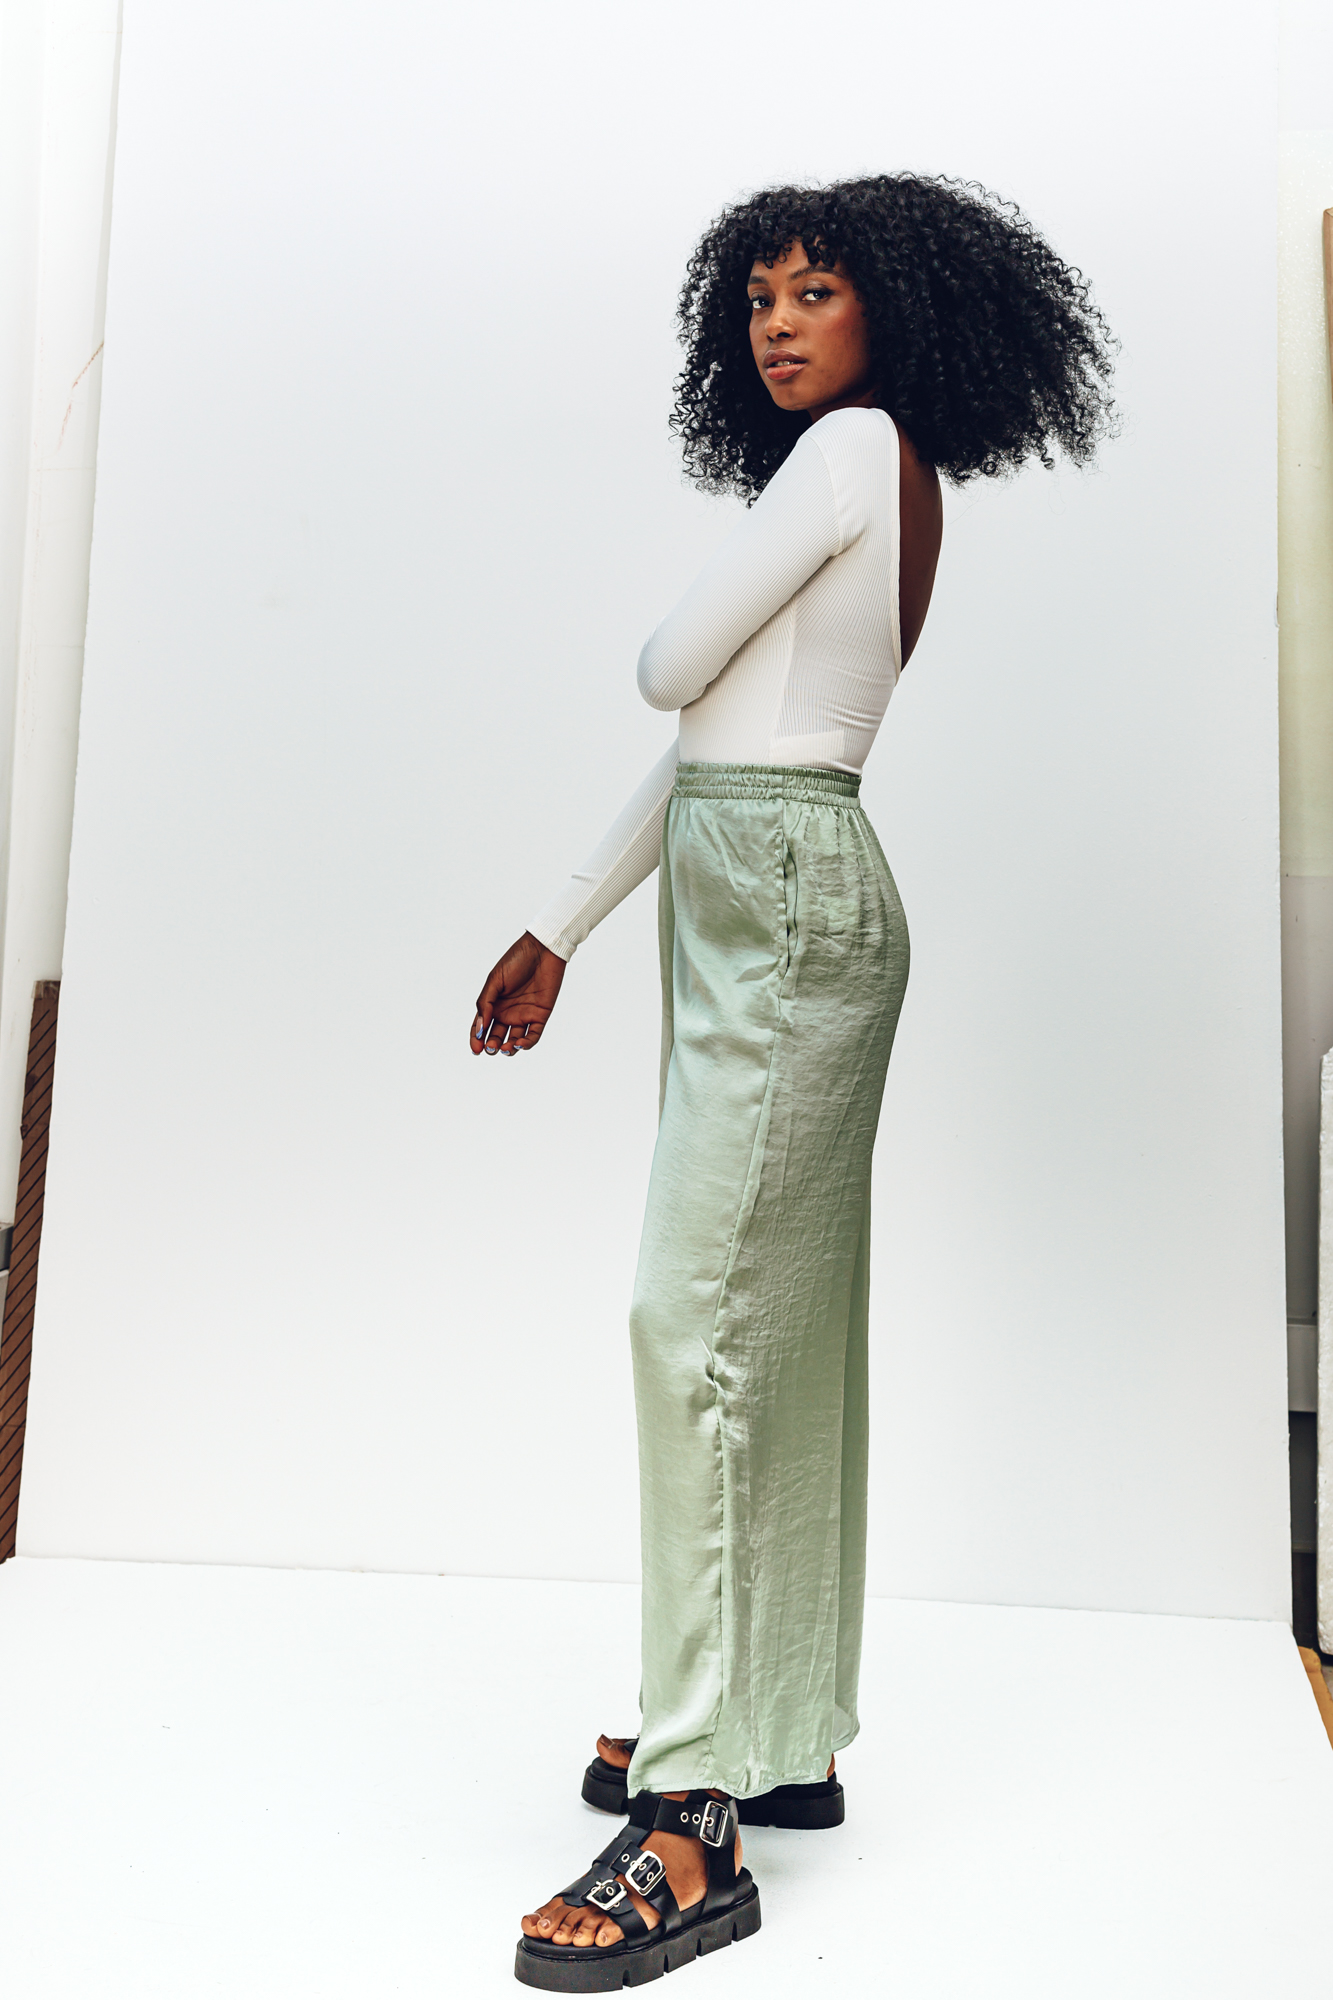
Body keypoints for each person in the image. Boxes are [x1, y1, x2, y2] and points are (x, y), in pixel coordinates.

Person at [472, 174, 1116, 1992]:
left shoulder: (847, 454)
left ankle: (691, 1810)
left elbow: (664, 669)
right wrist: (559, 924)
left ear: (888, 315)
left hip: (781, 898)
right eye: (756, 296)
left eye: (813, 291)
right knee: (775, 1325)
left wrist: (678, 661)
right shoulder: (859, 471)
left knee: (696, 1322)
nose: (776, 322)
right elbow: (706, 744)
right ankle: (776, 1726)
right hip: (757, 882)